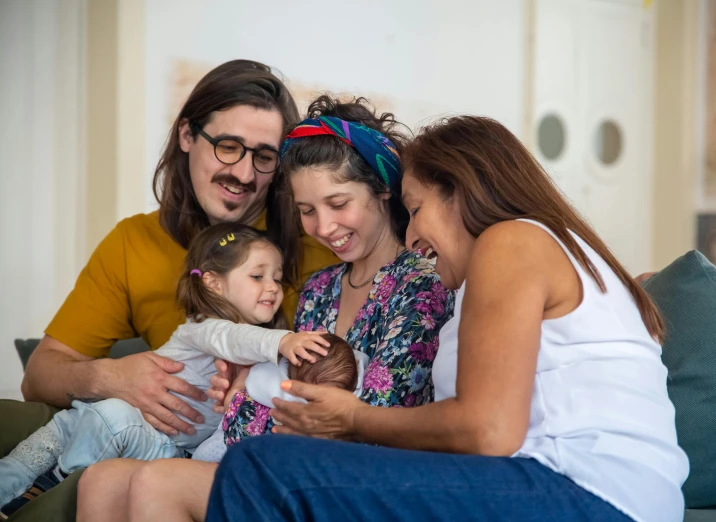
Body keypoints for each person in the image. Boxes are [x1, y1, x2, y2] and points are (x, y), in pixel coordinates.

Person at [201, 115, 691, 522]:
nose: (412, 235)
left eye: (414, 209)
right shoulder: (525, 258)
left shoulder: (512, 240)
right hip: (576, 491)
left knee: (260, 469)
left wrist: (352, 419)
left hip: (588, 493)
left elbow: (489, 431)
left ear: (457, 190)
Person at [75, 96, 455, 522]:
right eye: (307, 211)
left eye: (338, 203)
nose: (323, 228)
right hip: (275, 459)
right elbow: (286, 388)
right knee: (103, 479)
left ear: (383, 190)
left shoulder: (421, 287)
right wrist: (245, 379)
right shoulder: (318, 288)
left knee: (157, 481)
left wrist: (255, 405)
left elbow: (381, 418)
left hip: (351, 477)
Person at [0, 60, 338, 521]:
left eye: (263, 156)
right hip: (141, 430)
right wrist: (113, 377)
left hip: (233, 446)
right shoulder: (133, 242)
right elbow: (40, 375)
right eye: (228, 146)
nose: (244, 172)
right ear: (186, 136)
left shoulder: (317, 243)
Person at [0, 223, 330, 510]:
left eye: (277, 277)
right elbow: (233, 337)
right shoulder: (204, 327)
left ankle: (54, 483)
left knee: (113, 418)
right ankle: (25, 489)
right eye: (258, 276)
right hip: (104, 418)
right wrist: (284, 341)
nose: (273, 286)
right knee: (31, 454)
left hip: (158, 443)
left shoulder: (256, 348)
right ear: (213, 284)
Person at [192, 332, 366, 462]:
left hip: (265, 460)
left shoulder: (348, 400)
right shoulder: (271, 378)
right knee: (202, 457)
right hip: (231, 438)